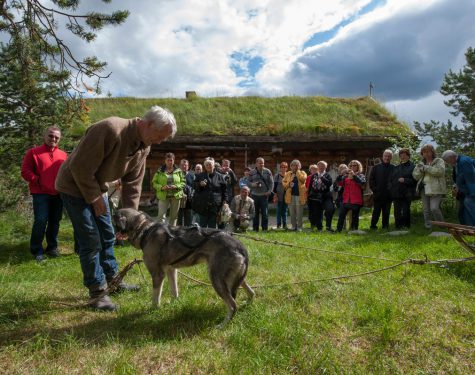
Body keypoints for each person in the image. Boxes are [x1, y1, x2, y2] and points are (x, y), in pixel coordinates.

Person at [56, 105, 176, 311]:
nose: (161, 141)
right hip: (74, 186)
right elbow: (80, 168)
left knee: (108, 235)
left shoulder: (144, 146)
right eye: (160, 136)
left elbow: (133, 185)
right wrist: (95, 198)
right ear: (148, 125)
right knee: (91, 239)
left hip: (97, 187)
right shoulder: (110, 129)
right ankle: (97, 293)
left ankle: (113, 282)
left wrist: (131, 223)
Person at [21, 126, 67, 262]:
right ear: (44, 136)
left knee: (55, 221)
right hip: (40, 193)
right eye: (51, 136)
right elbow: (25, 171)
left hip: (58, 194)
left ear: (60, 139)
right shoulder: (33, 152)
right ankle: (36, 250)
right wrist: (38, 180)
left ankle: (52, 248)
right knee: (41, 221)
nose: (53, 139)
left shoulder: (63, 155)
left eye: (56, 137)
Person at [413, 144, 446, 229]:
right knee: (426, 210)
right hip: (424, 188)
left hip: (436, 188)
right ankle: (428, 226)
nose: (426, 154)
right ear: (422, 153)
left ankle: (442, 226)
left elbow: (440, 172)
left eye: (428, 151)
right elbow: (415, 176)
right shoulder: (420, 163)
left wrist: (426, 168)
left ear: (432, 152)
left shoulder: (439, 161)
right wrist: (421, 170)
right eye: (424, 152)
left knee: (434, 208)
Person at [442, 150, 475, 226]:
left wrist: (471, 193)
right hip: (467, 192)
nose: (447, 163)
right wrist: (457, 186)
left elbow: (471, 178)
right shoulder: (458, 163)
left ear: (451, 157)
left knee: (469, 204)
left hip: (471, 191)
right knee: (466, 209)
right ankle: (470, 229)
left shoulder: (464, 161)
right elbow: (460, 177)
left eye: (447, 160)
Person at [192, 157, 227, 228]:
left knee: (212, 227)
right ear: (204, 166)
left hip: (215, 206)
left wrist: (225, 201)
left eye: (210, 164)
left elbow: (224, 191)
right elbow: (194, 186)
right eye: (207, 165)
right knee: (202, 226)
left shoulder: (219, 176)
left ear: (213, 166)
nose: (208, 166)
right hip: (202, 205)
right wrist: (199, 184)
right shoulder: (200, 176)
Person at [152, 153, 185, 226]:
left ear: (174, 160)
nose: (170, 162)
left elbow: (183, 182)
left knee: (174, 216)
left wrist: (176, 186)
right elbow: (154, 183)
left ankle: (171, 232)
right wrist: (161, 187)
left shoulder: (179, 171)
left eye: (171, 160)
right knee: (161, 216)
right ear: (165, 161)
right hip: (163, 196)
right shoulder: (160, 171)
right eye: (168, 160)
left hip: (176, 196)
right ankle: (160, 232)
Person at [388, 149, 416, 229]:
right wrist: (391, 188)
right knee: (397, 211)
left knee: (406, 210)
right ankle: (398, 227)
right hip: (396, 192)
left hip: (407, 192)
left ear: (408, 156)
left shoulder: (413, 167)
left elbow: (415, 180)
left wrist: (405, 180)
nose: (403, 157)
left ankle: (406, 226)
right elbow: (390, 180)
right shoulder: (396, 167)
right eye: (401, 155)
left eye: (405, 155)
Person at [336, 160, 366, 232]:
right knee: (341, 215)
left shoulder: (361, 175)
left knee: (355, 216)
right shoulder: (346, 176)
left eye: (355, 165)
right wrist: (341, 175)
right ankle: (338, 230)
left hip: (356, 200)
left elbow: (362, 184)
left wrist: (354, 176)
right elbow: (339, 183)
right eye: (351, 165)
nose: (352, 167)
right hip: (346, 199)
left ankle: (354, 230)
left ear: (358, 167)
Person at [369, 149, 395, 229]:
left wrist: (392, 190)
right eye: (385, 156)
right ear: (382, 157)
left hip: (388, 194)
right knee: (376, 211)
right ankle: (373, 226)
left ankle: (385, 226)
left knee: (386, 212)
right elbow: (371, 180)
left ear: (391, 158)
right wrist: (375, 189)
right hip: (378, 193)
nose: (387, 158)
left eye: (389, 156)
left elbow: (395, 181)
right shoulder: (376, 168)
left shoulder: (394, 168)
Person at [307, 161, 335, 231]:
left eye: (322, 166)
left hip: (326, 196)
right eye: (319, 166)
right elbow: (310, 186)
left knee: (329, 209)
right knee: (317, 212)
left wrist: (322, 177)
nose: (321, 167)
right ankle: (319, 228)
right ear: (317, 167)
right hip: (315, 197)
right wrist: (309, 195)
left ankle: (328, 227)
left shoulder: (327, 175)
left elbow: (329, 184)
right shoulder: (314, 175)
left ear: (325, 167)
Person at [248, 157, 274, 231]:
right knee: (255, 213)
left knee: (264, 213)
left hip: (264, 196)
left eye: (262, 163)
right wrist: (253, 184)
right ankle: (255, 229)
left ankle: (264, 229)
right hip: (254, 195)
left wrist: (269, 191)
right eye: (260, 163)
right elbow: (248, 182)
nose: (261, 164)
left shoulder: (267, 171)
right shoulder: (251, 172)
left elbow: (271, 183)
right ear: (256, 164)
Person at [283, 159, 307, 231]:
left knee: (299, 212)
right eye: (293, 165)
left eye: (297, 165)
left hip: (300, 196)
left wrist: (297, 172)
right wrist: (290, 182)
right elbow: (284, 184)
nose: (295, 167)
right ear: (291, 166)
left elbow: (303, 180)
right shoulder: (288, 174)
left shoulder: (302, 173)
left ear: (299, 166)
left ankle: (299, 227)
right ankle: (293, 226)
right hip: (290, 196)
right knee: (292, 212)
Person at [177, 159, 194, 226]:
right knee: (179, 221)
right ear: (179, 166)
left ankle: (188, 235)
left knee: (189, 221)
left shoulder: (192, 175)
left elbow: (194, 187)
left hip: (189, 202)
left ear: (188, 166)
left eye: (186, 165)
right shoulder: (176, 175)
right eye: (182, 165)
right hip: (179, 200)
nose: (184, 166)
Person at [273, 161, 289, 229]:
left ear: (287, 168)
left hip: (286, 195)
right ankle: (278, 224)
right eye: (282, 167)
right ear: (280, 168)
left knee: (285, 210)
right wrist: (275, 195)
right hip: (279, 195)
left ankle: (285, 224)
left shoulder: (288, 175)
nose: (283, 168)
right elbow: (274, 186)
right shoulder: (277, 176)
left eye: (285, 167)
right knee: (279, 210)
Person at [305, 164, 318, 229]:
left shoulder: (319, 176)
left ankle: (316, 223)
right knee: (310, 210)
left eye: (315, 169)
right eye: (312, 169)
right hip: (309, 196)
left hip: (317, 196)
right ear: (310, 170)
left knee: (316, 210)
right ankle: (312, 224)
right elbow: (306, 187)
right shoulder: (308, 177)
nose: (314, 170)